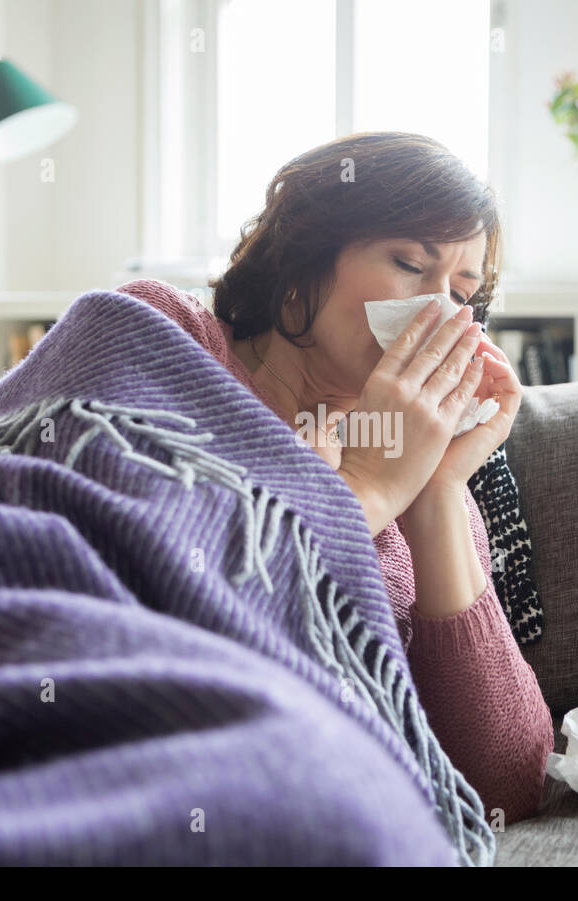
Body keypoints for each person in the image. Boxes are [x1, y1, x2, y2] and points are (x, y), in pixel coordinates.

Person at [119, 131, 553, 826]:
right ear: (303, 264)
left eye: (464, 294)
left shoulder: (426, 476)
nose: (441, 311)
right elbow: (149, 592)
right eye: (411, 263)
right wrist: (368, 487)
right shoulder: (168, 334)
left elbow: (507, 783)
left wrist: (434, 493)